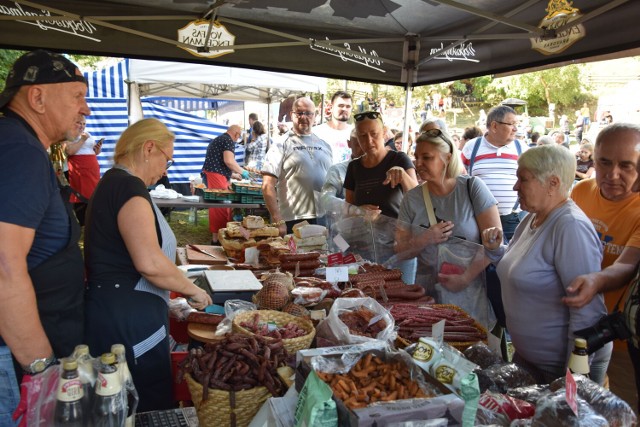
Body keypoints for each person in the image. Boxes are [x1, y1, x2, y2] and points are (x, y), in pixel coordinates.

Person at [83, 118, 212, 411]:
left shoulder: (113, 182)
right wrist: (194, 291)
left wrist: (165, 301)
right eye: (167, 159)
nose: (166, 168)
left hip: (120, 309)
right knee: (142, 405)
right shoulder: (128, 187)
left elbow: (120, 259)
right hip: (127, 321)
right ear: (148, 148)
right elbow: (149, 262)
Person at [0, 50, 90, 425]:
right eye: (77, 97)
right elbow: (4, 266)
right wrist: (41, 369)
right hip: (13, 362)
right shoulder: (19, 150)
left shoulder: (17, 142)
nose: (86, 110)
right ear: (37, 98)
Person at [482, 145, 612, 385]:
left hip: (557, 372)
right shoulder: (532, 217)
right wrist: (495, 251)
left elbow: (587, 312)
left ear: (552, 183)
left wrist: (572, 380)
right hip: (530, 361)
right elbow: (520, 271)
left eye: (523, 179)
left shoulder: (570, 227)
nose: (515, 187)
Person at [562, 123, 640, 410]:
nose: (612, 174)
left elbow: (627, 265)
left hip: (622, 343)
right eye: (604, 162)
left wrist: (595, 281)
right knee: (578, 407)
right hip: (575, 330)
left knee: (622, 410)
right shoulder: (581, 192)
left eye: (626, 166)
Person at [395, 129, 501, 329]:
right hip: (429, 299)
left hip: (472, 295)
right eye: (416, 157)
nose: (418, 164)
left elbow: (495, 244)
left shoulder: (472, 188)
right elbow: (400, 250)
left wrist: (465, 278)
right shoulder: (412, 199)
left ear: (447, 158)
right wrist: (424, 239)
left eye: (427, 157)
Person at [261, 97, 333, 236]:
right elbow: (267, 185)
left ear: (315, 116)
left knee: (322, 255)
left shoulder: (325, 145)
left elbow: (331, 182)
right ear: (292, 115)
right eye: (299, 113)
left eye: (308, 113)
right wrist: (277, 220)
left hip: (323, 217)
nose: (303, 117)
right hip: (293, 219)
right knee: (295, 257)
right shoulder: (280, 144)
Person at [461, 105, 528, 242]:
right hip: (478, 219)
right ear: (494, 126)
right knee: (481, 259)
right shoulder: (472, 147)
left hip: (513, 219)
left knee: (510, 260)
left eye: (517, 124)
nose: (516, 129)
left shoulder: (522, 148)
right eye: (511, 124)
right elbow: (460, 179)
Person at [344, 111, 418, 219]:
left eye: (374, 134)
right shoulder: (354, 166)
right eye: (363, 136)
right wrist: (359, 211)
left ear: (384, 132)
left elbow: (417, 199)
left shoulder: (399, 159)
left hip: (396, 233)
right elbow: (347, 208)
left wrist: (403, 176)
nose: (369, 141)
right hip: (364, 233)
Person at [202, 125, 251, 243]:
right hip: (215, 175)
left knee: (221, 206)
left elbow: (219, 162)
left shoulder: (220, 139)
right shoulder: (228, 140)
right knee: (220, 207)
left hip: (214, 174)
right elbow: (229, 161)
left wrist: (232, 175)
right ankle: (217, 240)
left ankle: (220, 238)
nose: (237, 140)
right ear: (236, 134)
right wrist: (242, 171)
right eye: (238, 137)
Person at [65, 116, 103, 225]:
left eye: (84, 124)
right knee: (81, 196)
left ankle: (91, 220)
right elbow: (70, 151)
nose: (82, 126)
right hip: (79, 169)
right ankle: (82, 222)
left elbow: (93, 152)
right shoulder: (69, 135)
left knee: (93, 195)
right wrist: (82, 140)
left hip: (92, 169)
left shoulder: (88, 134)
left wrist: (97, 149)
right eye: (79, 123)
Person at [321, 129, 364, 201]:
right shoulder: (337, 170)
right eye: (359, 144)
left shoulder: (381, 169)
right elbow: (326, 199)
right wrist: (353, 207)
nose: (364, 148)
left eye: (367, 144)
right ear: (349, 144)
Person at [312, 90, 353, 164]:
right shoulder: (316, 133)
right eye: (341, 106)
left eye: (348, 106)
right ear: (331, 107)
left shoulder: (356, 133)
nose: (344, 109)